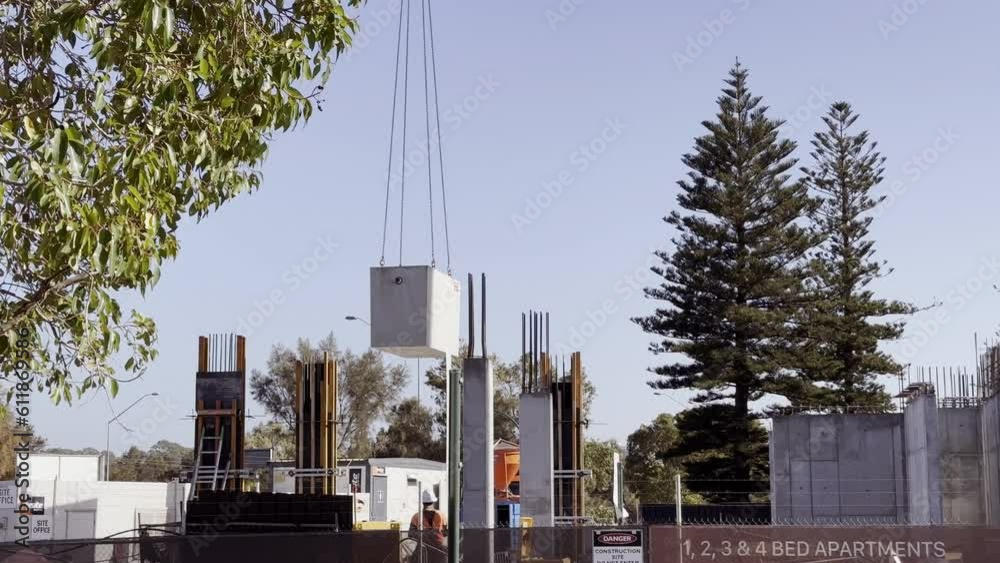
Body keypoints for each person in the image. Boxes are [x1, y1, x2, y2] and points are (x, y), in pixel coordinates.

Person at [407, 489, 447, 562]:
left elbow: (410, 534)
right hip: (436, 549)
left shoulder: (416, 516)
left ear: (422, 502)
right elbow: (445, 532)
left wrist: (424, 534)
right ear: (433, 502)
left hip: (423, 549)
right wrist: (431, 534)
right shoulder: (442, 515)